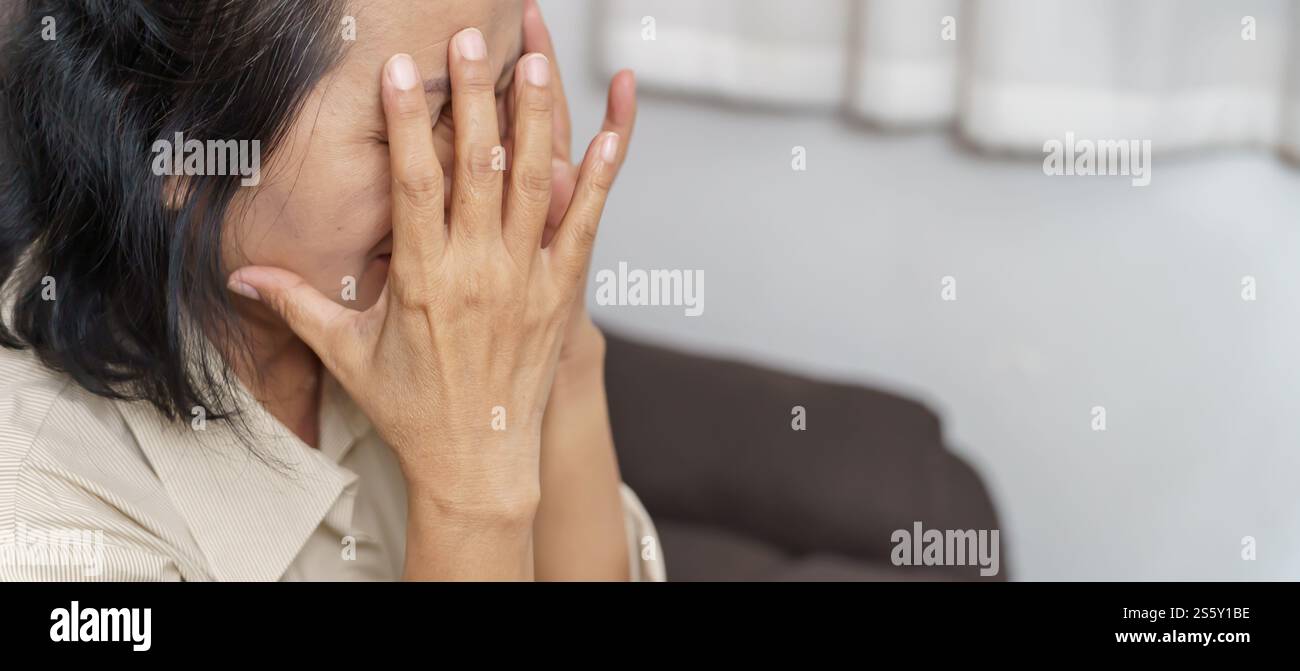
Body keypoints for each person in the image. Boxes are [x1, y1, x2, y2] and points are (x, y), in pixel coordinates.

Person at [0, 0, 663, 581]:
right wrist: (468, 502)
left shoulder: (429, 305)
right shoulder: (44, 523)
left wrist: (557, 345)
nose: (484, 168)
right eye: (416, 119)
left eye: (498, 96)